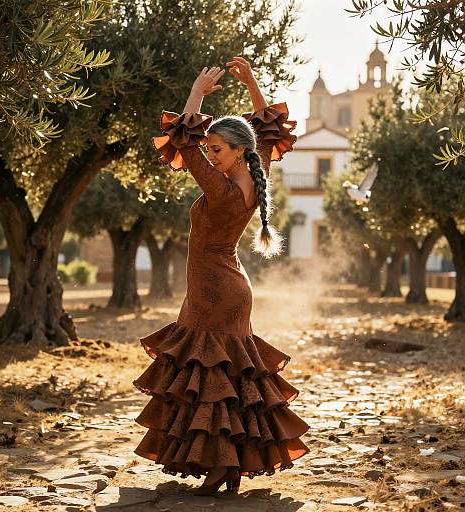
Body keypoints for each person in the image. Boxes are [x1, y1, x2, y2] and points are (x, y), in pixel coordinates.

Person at [132, 57, 309, 496]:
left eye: (217, 150)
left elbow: (185, 145)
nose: (210, 155)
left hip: (214, 289)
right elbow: (267, 132)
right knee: (231, 380)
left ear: (235, 151)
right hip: (227, 285)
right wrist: (252, 84)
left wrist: (196, 92)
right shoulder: (255, 174)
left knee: (212, 380)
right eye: (211, 150)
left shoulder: (222, 187)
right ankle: (227, 464)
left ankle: (221, 466)